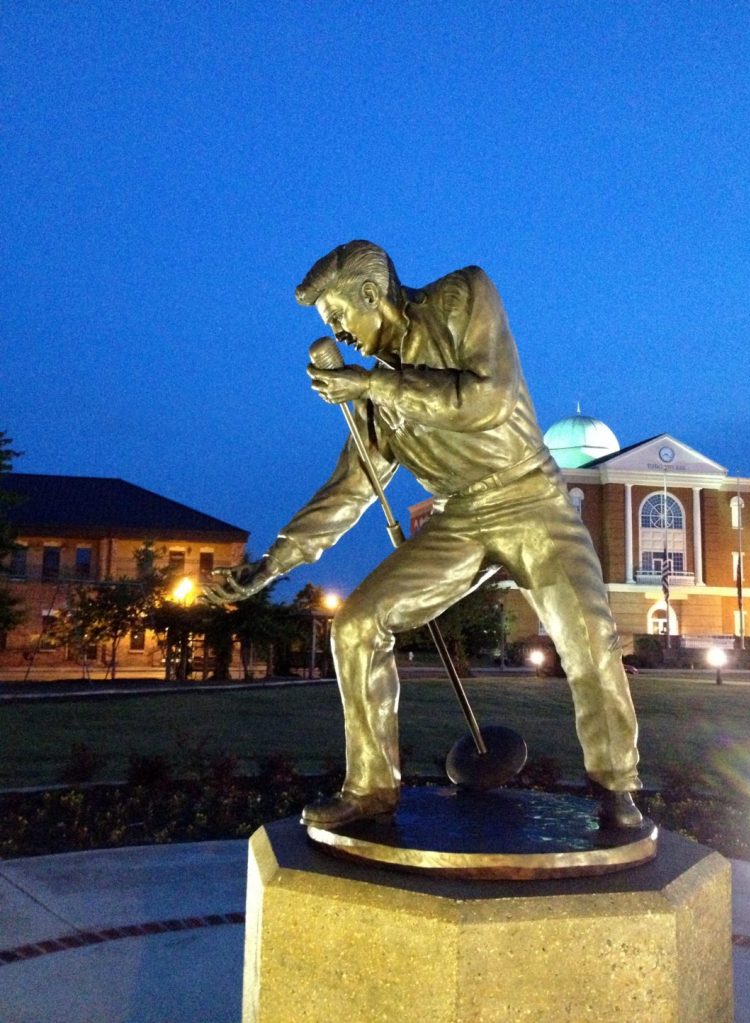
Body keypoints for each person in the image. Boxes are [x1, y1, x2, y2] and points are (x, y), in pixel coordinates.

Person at [204, 241, 643, 830]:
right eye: (328, 326)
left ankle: (615, 790)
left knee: (588, 636)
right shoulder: (370, 396)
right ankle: (370, 789)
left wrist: (371, 386)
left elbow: (487, 401)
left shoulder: (463, 296)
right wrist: (271, 566)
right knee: (356, 625)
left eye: (338, 317)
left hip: (531, 497)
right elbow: (347, 493)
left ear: (371, 294)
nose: (338, 332)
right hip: (459, 516)